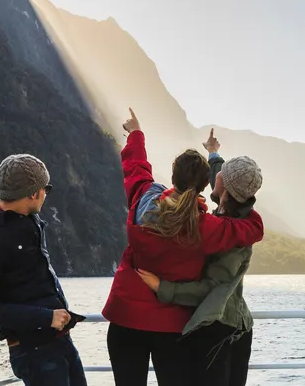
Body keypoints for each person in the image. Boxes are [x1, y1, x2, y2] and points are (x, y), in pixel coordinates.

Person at [102, 109, 265, 386]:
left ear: (173, 175)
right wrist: (246, 200)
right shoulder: (207, 227)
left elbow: (136, 168)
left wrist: (136, 134)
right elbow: (251, 228)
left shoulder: (144, 197)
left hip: (125, 317)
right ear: (204, 186)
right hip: (171, 326)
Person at [0, 154, 87, 386]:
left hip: (58, 340)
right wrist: (46, 317)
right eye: (46, 188)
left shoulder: (29, 221)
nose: (47, 194)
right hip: (34, 350)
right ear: (33, 192)